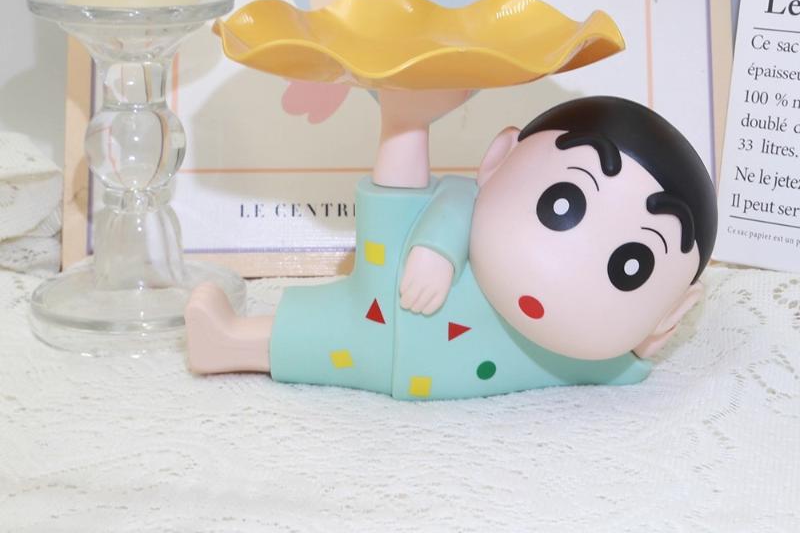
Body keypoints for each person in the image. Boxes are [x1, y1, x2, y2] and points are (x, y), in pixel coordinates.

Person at [185, 91, 717, 400]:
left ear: (673, 310)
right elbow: (461, 196)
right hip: (390, 298)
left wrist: (642, 347)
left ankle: (227, 342)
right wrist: (438, 248)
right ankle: (402, 118)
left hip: (375, 345)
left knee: (322, 341)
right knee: (319, 329)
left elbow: (617, 365)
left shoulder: (572, 353)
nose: (567, 276)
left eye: (631, 265)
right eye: (562, 203)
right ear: (498, 160)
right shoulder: (465, 205)